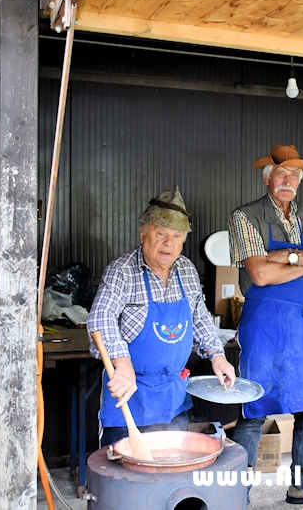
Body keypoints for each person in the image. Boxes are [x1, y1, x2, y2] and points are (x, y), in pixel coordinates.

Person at [228, 145, 303, 505]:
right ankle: (235, 492)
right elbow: (260, 274)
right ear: (268, 178)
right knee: (253, 407)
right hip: (266, 326)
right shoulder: (245, 216)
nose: (287, 180)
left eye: (294, 175)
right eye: (281, 174)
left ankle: (300, 485)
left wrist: (292, 257)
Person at [87, 185, 236, 447]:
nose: (169, 243)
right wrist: (122, 365)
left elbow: (200, 318)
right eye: (161, 233)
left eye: (177, 236)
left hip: (173, 396)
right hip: (130, 396)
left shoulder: (186, 270)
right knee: (122, 477)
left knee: (170, 469)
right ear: (143, 232)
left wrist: (218, 356)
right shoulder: (121, 272)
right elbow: (101, 319)